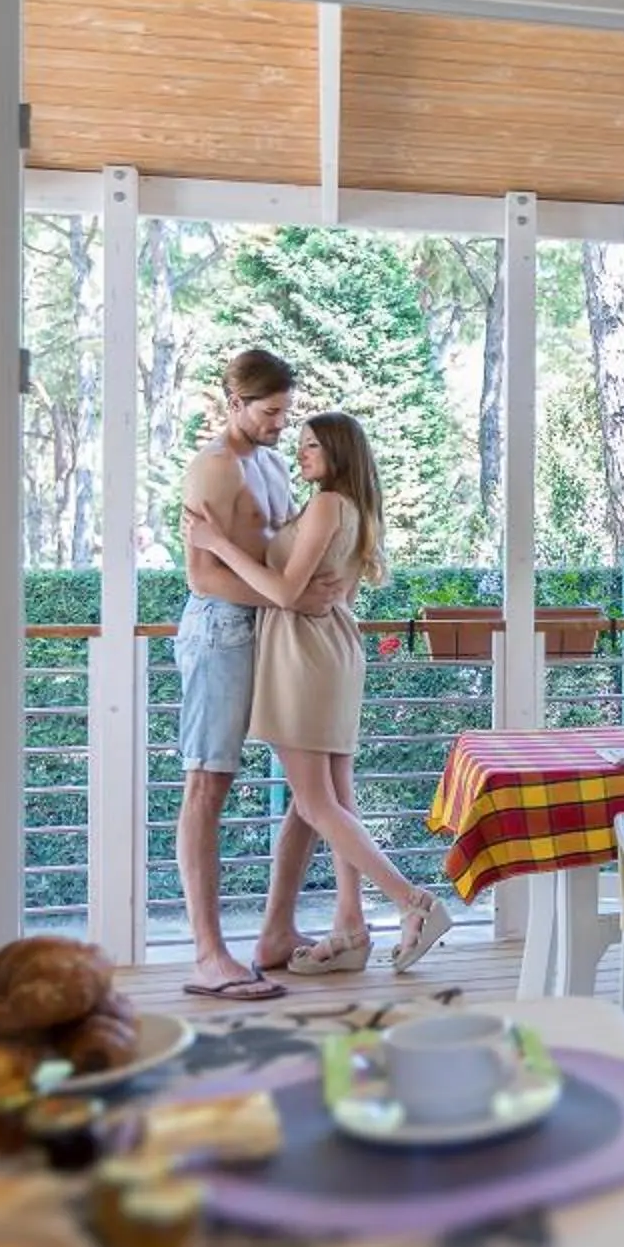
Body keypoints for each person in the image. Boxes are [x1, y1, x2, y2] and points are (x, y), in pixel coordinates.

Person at [187, 409, 455, 974]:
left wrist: (218, 543)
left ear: (337, 454)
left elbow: (285, 592)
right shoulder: (347, 508)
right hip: (331, 649)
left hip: (302, 653)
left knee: (313, 801)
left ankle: (413, 902)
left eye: (312, 446)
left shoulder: (330, 505)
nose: (301, 452)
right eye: (300, 443)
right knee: (331, 798)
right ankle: (350, 924)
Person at [172, 349, 344, 999]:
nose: (281, 425)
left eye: (286, 412)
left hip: (276, 630)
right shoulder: (212, 470)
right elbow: (202, 573)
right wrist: (289, 597)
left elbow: (287, 550)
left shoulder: (272, 463)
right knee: (207, 786)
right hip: (220, 630)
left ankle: (275, 931)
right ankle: (208, 956)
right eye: (270, 413)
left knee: (312, 785)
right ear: (234, 403)